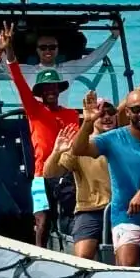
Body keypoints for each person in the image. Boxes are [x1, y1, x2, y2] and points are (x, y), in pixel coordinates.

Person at [0, 21, 80, 247]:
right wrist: (9, 49)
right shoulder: (34, 110)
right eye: (47, 88)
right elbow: (18, 79)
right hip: (42, 174)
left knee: (70, 216)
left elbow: (82, 141)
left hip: (67, 173)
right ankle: (39, 255)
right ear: (41, 92)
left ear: (59, 90)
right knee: (42, 220)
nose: (51, 91)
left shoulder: (72, 114)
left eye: (54, 87)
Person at [71, 87, 140, 267]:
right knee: (127, 263)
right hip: (127, 213)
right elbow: (79, 149)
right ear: (127, 112)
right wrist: (88, 122)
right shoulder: (112, 138)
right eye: (136, 109)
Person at [43, 97, 117, 260]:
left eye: (111, 112)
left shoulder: (125, 140)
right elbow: (50, 173)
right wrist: (56, 152)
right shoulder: (79, 146)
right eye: (101, 113)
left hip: (122, 208)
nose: (106, 116)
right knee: (83, 255)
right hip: (90, 210)